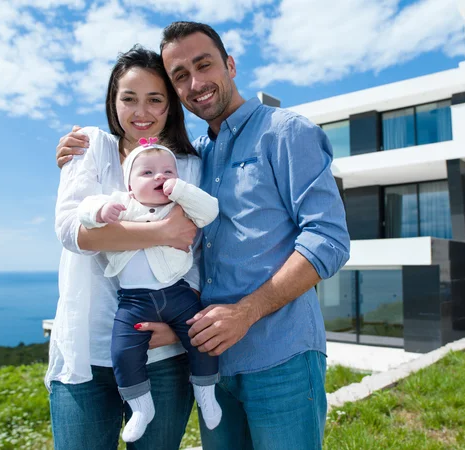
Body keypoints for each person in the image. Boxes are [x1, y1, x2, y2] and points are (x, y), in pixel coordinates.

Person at [57, 21, 350, 450]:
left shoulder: (286, 132)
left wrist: (247, 312)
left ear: (229, 65)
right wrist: (182, 331)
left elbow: (328, 239)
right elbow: (197, 263)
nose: (195, 83)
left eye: (204, 64)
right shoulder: (193, 158)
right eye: (179, 76)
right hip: (212, 364)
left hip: (279, 355)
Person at [49, 45, 202, 450]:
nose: (142, 112)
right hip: (87, 352)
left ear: (171, 106)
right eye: (129, 98)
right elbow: (71, 232)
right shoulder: (90, 146)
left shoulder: (187, 165)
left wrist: (175, 331)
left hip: (162, 355)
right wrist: (162, 231)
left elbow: (197, 257)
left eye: (156, 99)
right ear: (112, 101)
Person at [77, 141, 221, 442]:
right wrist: (102, 211)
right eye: (148, 172)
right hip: (134, 300)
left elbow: (210, 211)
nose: (160, 177)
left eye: (168, 171)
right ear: (130, 184)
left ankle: (207, 391)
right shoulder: (122, 205)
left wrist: (179, 189)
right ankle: (141, 406)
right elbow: (84, 211)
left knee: (200, 338)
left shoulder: (179, 207)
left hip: (177, 293)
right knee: (123, 351)